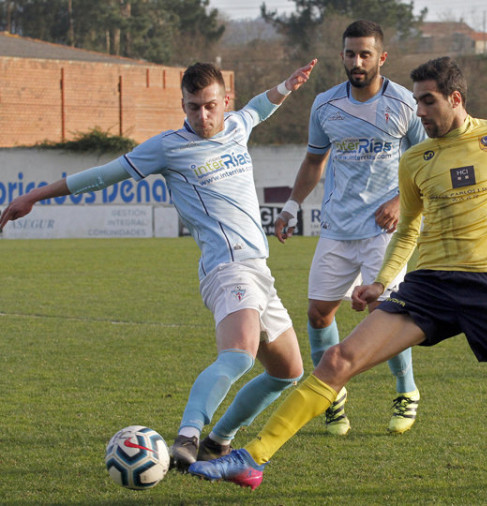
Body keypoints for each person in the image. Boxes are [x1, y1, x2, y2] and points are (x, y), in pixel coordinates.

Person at [188, 56, 487, 491]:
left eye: (428, 101)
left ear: (456, 98)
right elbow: (408, 229)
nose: (420, 112)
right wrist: (380, 280)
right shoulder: (415, 160)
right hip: (428, 287)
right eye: (416, 102)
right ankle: (254, 458)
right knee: (336, 362)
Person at [0, 59, 318, 472]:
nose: (201, 116)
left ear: (225, 101)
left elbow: (261, 105)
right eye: (192, 107)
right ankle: (187, 436)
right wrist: (35, 196)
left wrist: (286, 86)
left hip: (259, 271)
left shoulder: (239, 125)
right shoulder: (168, 147)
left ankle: (218, 442)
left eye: (209, 106)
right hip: (227, 269)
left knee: (286, 373)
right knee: (238, 355)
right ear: (182, 105)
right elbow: (103, 175)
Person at [273, 20, 426, 436]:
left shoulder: (406, 104)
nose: (357, 62)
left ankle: (406, 389)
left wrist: (400, 201)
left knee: (387, 314)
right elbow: (313, 162)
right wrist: (289, 208)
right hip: (337, 228)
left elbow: (425, 160)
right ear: (341, 56)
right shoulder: (324, 106)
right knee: (319, 313)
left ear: (381, 57)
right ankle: (332, 394)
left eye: (365, 54)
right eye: (350, 54)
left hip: (384, 231)